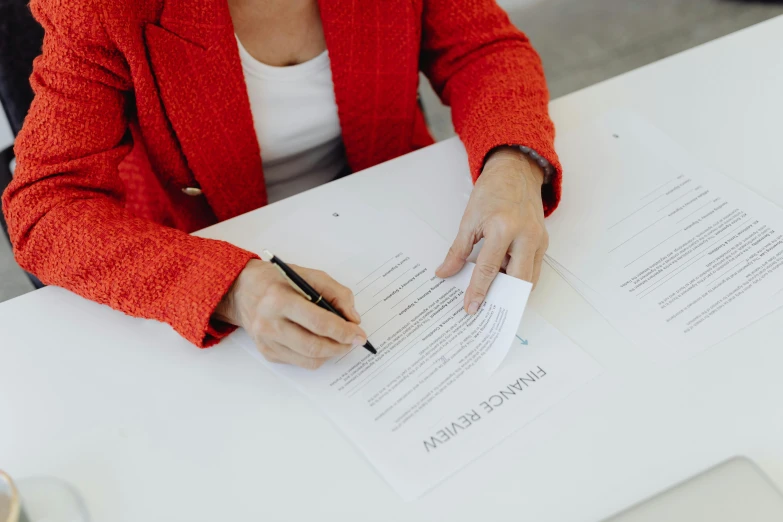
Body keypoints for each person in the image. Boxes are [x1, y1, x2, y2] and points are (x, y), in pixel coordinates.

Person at [2, 0, 562, 369]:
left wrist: (512, 161)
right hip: (208, 239)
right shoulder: (102, 9)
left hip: (391, 211)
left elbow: (481, 49)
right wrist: (227, 288)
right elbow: (45, 206)